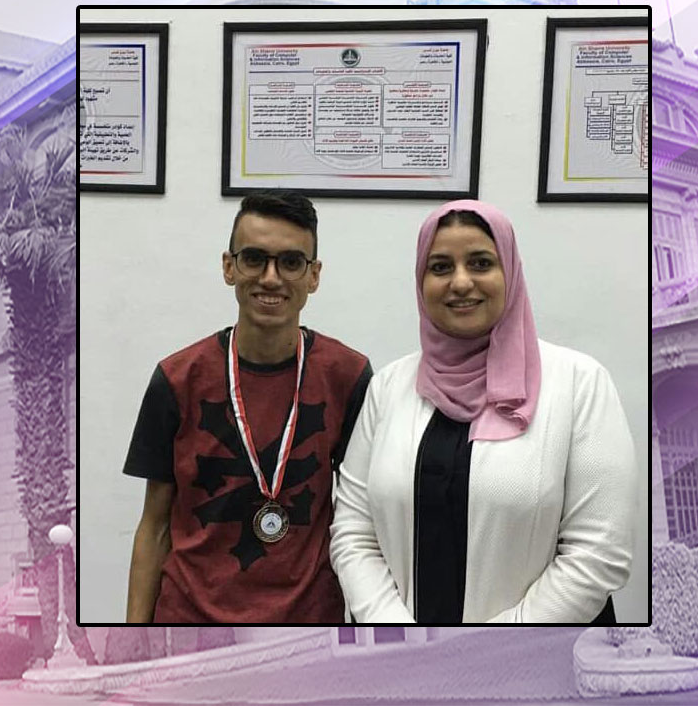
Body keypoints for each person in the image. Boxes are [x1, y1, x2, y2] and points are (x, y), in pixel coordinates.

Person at [330, 199, 636, 623]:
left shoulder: (580, 383)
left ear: (509, 272)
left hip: (541, 663)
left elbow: (598, 554)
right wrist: (395, 631)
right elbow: (353, 533)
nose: (460, 282)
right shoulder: (388, 388)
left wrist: (489, 646)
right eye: (440, 267)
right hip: (404, 660)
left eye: (480, 263)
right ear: (420, 281)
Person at [123, 191, 371, 623]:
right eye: (254, 258)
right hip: (188, 621)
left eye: (291, 262)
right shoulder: (176, 379)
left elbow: (366, 521)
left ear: (313, 276)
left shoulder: (348, 377)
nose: (271, 278)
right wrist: (132, 634)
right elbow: (154, 525)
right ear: (229, 267)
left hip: (308, 622)